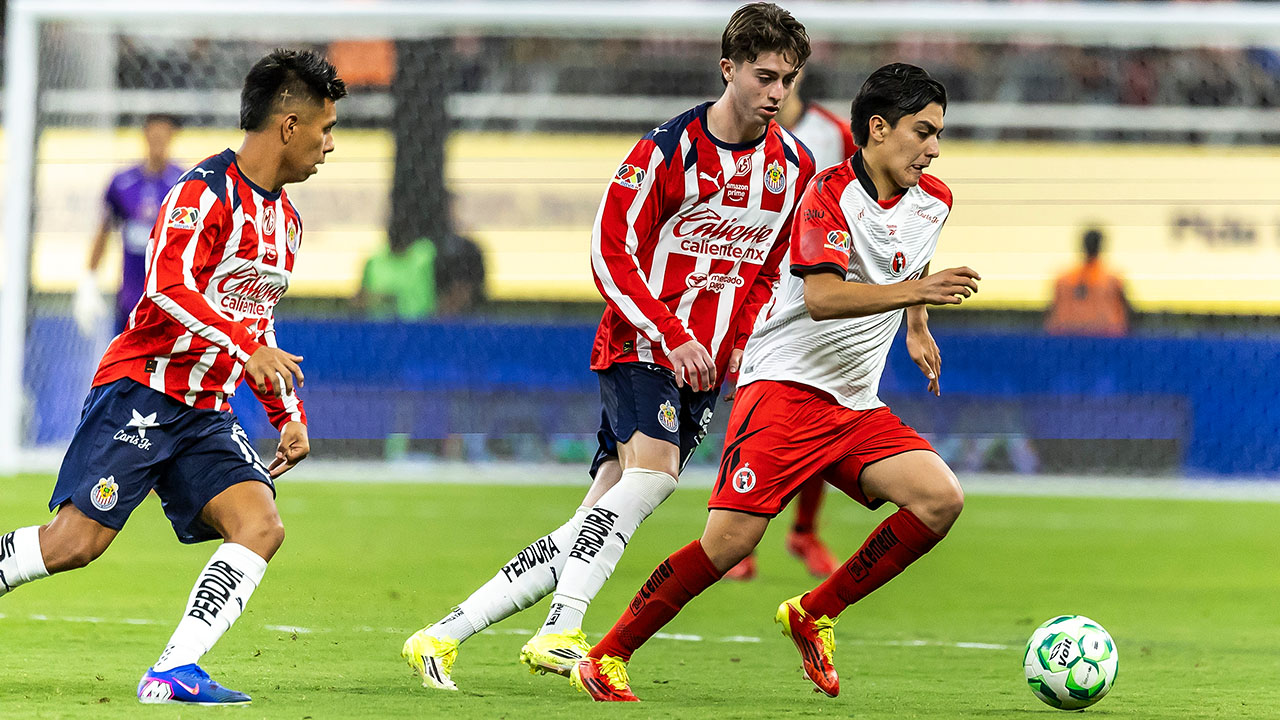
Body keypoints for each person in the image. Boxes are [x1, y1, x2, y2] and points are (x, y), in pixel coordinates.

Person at [402, 2, 815, 691]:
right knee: (653, 479)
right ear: (728, 69)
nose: (776, 92)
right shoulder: (668, 150)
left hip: (706, 370)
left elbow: (770, 268)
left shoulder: (792, 166)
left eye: (788, 79)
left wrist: (741, 346)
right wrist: (671, 332)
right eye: (765, 76)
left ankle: (441, 635)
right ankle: (561, 629)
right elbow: (608, 250)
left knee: (597, 517)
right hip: (642, 348)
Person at [572, 63, 981, 702]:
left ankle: (813, 612)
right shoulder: (827, 194)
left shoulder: (936, 199)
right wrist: (917, 292)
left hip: (852, 402)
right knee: (728, 545)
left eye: (939, 135)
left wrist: (918, 325)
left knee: (940, 500)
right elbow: (821, 297)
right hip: (784, 389)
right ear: (878, 129)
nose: (933, 148)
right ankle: (606, 655)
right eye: (922, 132)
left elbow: (914, 250)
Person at [0, 49, 346, 705]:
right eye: (326, 129)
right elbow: (164, 292)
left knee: (261, 525)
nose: (330, 146)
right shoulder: (203, 193)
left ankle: (173, 671)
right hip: (141, 394)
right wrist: (247, 348)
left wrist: (286, 415)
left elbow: (258, 320)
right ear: (289, 124)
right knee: (74, 544)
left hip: (204, 412)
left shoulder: (287, 222)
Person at [725, 68, 858, 582]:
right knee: (752, 407)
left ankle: (804, 530)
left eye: (788, 74)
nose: (779, 86)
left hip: (817, 288)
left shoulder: (833, 133)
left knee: (824, 405)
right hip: (759, 283)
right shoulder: (744, 132)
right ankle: (738, 538)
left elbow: (861, 196)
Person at [74, 114, 185, 337]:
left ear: (172, 137)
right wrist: (88, 282)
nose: (158, 143)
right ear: (144, 135)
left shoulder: (184, 183)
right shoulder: (122, 182)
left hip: (172, 301)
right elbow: (104, 231)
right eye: (153, 136)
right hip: (129, 297)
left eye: (163, 137)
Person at [1044, 228, 1132, 336]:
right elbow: (1127, 311)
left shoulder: (1064, 278)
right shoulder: (1112, 279)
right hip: (1105, 337)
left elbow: (1051, 310)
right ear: (1101, 246)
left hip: (1068, 337)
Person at [354, 232, 438, 319]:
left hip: (420, 321)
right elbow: (361, 297)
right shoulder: (374, 261)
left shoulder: (425, 255)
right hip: (381, 323)